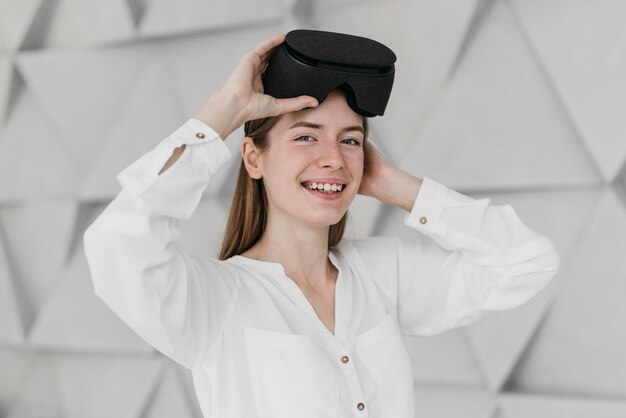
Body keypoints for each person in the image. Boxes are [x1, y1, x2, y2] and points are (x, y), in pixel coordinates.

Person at [83, 32, 561, 418]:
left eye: (349, 141)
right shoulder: (214, 300)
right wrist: (229, 109)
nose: (332, 159)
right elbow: (118, 247)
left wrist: (391, 185)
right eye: (306, 135)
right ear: (253, 158)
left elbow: (526, 262)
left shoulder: (383, 274)